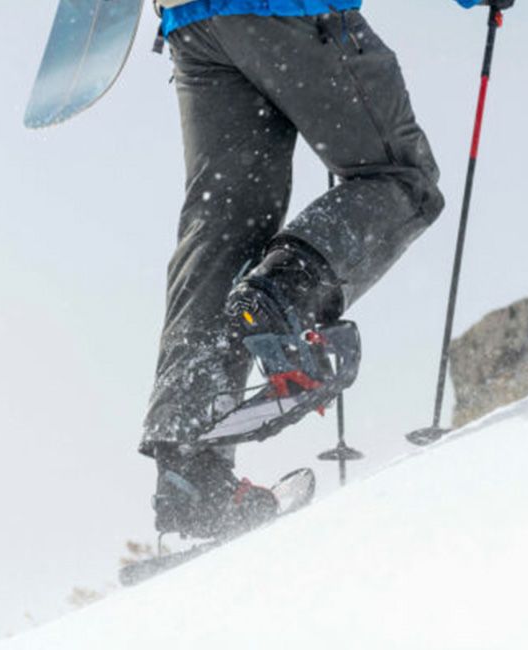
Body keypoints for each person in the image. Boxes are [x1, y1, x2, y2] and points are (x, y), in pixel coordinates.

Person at [141, 0, 486, 540]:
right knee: (401, 176)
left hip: (193, 28)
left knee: (223, 230)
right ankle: (284, 293)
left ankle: (192, 475)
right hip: (287, 12)